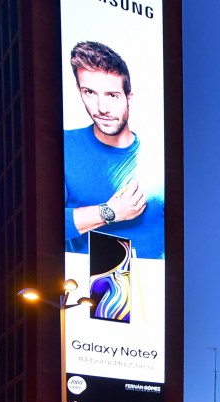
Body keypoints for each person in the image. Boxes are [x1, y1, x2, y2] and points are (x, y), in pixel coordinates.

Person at [64, 41, 163, 258]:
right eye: (90, 92)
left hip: (156, 278)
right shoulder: (64, 146)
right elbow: (44, 224)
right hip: (80, 279)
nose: (102, 108)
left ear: (129, 99)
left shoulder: (159, 157)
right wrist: (110, 213)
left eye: (112, 95)